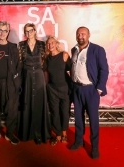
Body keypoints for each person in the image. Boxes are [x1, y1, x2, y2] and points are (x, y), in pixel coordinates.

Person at [70, 26, 109, 159]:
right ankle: (79, 141)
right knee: (78, 118)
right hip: (76, 88)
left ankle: (95, 147)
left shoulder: (97, 50)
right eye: (78, 34)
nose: (80, 36)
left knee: (93, 120)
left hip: (91, 90)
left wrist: (99, 89)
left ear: (88, 35)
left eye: (83, 34)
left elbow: (104, 70)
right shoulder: (73, 50)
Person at [0, 21, 21, 146]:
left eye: (4, 30)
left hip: (10, 83)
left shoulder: (13, 47)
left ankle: (10, 133)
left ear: (8, 32)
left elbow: (18, 66)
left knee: (11, 109)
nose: (2, 33)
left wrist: (16, 84)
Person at [18, 23, 50, 144]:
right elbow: (20, 63)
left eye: (31, 31)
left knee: (39, 104)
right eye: (26, 31)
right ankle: (27, 132)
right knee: (27, 103)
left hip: (39, 75)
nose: (28, 33)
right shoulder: (21, 45)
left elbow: (46, 62)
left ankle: (38, 133)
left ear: (35, 31)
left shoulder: (42, 44)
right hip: (26, 76)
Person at [45, 36, 71, 146]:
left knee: (64, 112)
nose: (50, 45)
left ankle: (64, 133)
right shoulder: (46, 59)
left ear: (56, 44)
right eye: (48, 43)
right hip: (52, 89)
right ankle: (58, 134)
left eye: (52, 43)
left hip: (65, 88)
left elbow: (71, 71)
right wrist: (46, 87)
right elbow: (46, 75)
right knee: (54, 112)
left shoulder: (64, 55)